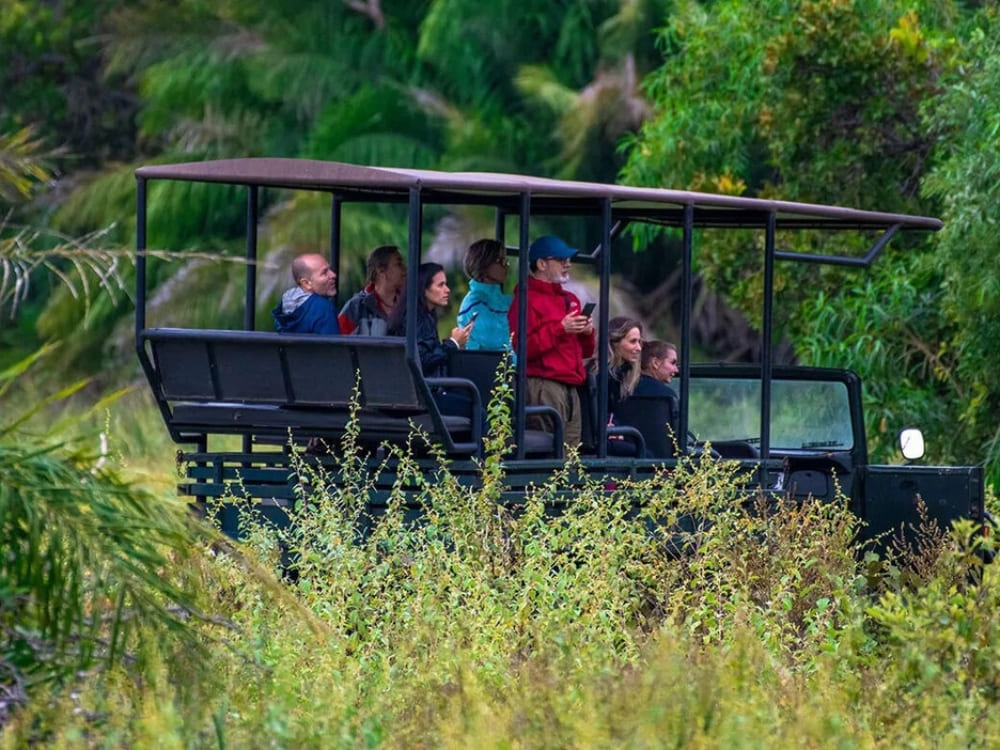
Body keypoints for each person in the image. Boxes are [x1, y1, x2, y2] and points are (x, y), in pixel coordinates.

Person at [508, 235, 595, 449]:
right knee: (548, 449)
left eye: (568, 259)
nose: (568, 264)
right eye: (561, 259)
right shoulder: (525, 301)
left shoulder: (570, 299)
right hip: (543, 386)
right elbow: (522, 348)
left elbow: (584, 352)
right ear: (541, 264)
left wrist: (586, 332)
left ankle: (564, 484)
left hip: (571, 387)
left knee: (570, 452)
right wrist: (560, 329)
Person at [387, 262, 473, 378]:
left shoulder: (426, 316)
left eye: (446, 284)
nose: (447, 290)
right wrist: (453, 343)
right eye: (440, 285)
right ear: (424, 288)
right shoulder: (415, 319)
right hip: (423, 391)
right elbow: (423, 361)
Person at [585, 316, 644, 455]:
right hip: (595, 438)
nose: (639, 348)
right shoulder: (599, 373)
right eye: (633, 342)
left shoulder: (623, 372)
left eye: (639, 342)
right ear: (615, 343)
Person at [457, 238, 514, 354]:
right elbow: (496, 341)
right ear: (483, 263)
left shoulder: (504, 300)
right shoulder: (474, 304)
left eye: (506, 261)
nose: (506, 266)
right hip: (488, 368)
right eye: (500, 261)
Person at [338, 244, 406, 335]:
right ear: (381, 270)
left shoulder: (410, 305)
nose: (405, 269)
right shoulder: (356, 307)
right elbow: (338, 342)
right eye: (399, 264)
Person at [272, 253, 341, 334]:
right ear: (306, 283)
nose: (333, 275)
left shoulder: (283, 306)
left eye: (330, 269)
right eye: (324, 273)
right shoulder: (323, 308)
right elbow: (333, 346)